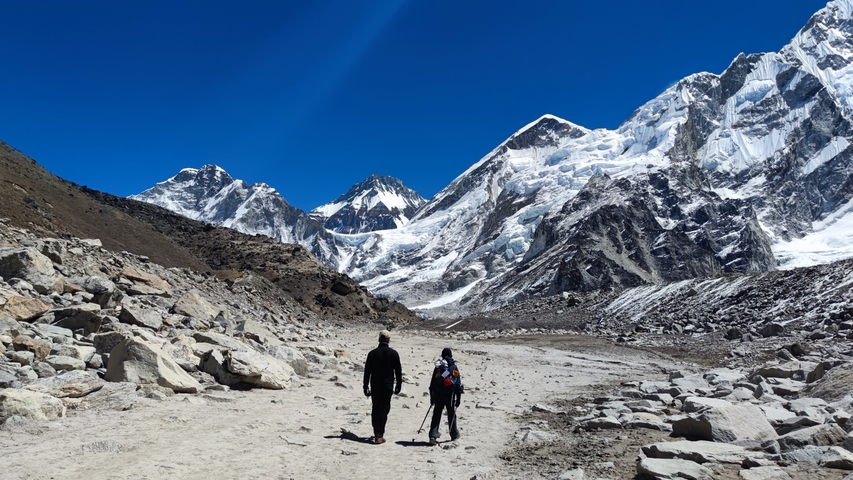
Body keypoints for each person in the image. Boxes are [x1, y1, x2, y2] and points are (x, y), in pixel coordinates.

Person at [362, 330, 403, 445]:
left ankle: (377, 432)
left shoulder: (372, 353)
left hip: (375, 386)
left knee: (376, 408)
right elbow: (398, 371)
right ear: (388, 340)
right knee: (384, 409)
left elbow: (367, 372)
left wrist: (365, 386)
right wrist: (399, 384)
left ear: (379, 340)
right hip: (387, 386)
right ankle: (379, 435)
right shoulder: (393, 354)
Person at [428, 347, 463, 445]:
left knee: (437, 414)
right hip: (450, 395)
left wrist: (432, 397)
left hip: (439, 394)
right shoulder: (454, 367)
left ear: (442, 355)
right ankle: (454, 434)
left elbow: (433, 383)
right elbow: (457, 384)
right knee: (451, 414)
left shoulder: (439, 367)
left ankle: (433, 436)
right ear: (451, 355)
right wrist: (458, 399)